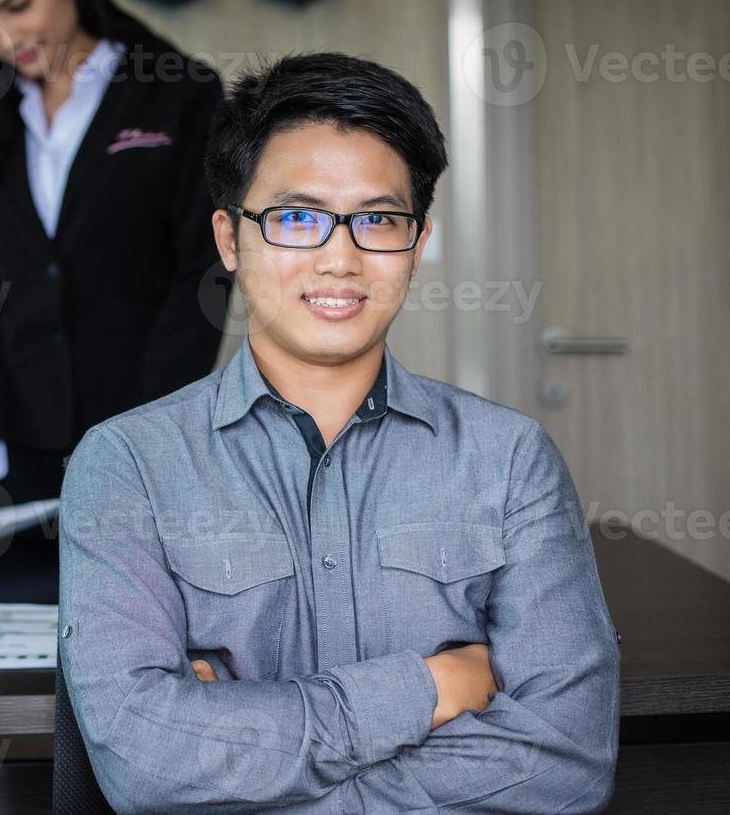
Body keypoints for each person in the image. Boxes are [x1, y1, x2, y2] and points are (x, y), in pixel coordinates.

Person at [59, 53, 620, 812]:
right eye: (296, 217)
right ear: (229, 239)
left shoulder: (509, 459)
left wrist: (237, 748)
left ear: (418, 244)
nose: (339, 257)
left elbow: (567, 760)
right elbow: (144, 761)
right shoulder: (128, 464)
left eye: (379, 220)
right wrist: (430, 687)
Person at [0, 0, 227, 531]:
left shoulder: (179, 95)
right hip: (22, 451)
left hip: (144, 445)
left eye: (17, 5)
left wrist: (146, 442)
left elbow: (202, 277)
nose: (4, 38)